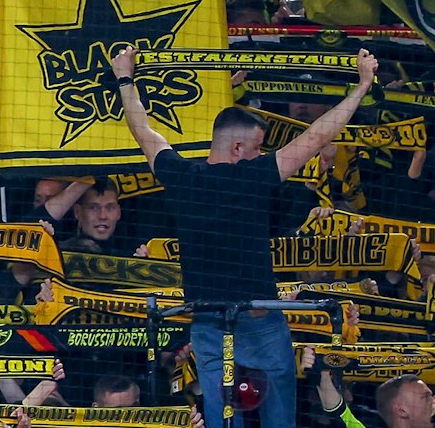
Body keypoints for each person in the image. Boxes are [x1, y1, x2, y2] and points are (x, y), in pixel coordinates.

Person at [109, 43, 377, 427]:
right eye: (258, 147)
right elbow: (318, 137)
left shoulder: (182, 177)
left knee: (222, 419)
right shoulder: (254, 176)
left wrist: (124, 76)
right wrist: (360, 86)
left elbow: (141, 127)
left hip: (208, 321)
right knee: (279, 418)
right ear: (238, 147)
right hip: (260, 319)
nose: (261, 154)